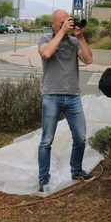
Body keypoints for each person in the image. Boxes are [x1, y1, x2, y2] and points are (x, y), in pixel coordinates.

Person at [37, 10, 94, 194]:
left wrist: (81, 38)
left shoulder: (73, 41)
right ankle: (43, 177)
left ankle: (76, 170)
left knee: (80, 138)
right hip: (51, 96)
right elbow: (46, 54)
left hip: (73, 97)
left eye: (67, 21)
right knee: (46, 140)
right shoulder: (45, 39)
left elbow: (88, 60)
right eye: (62, 22)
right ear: (53, 24)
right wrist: (61, 32)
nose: (66, 25)